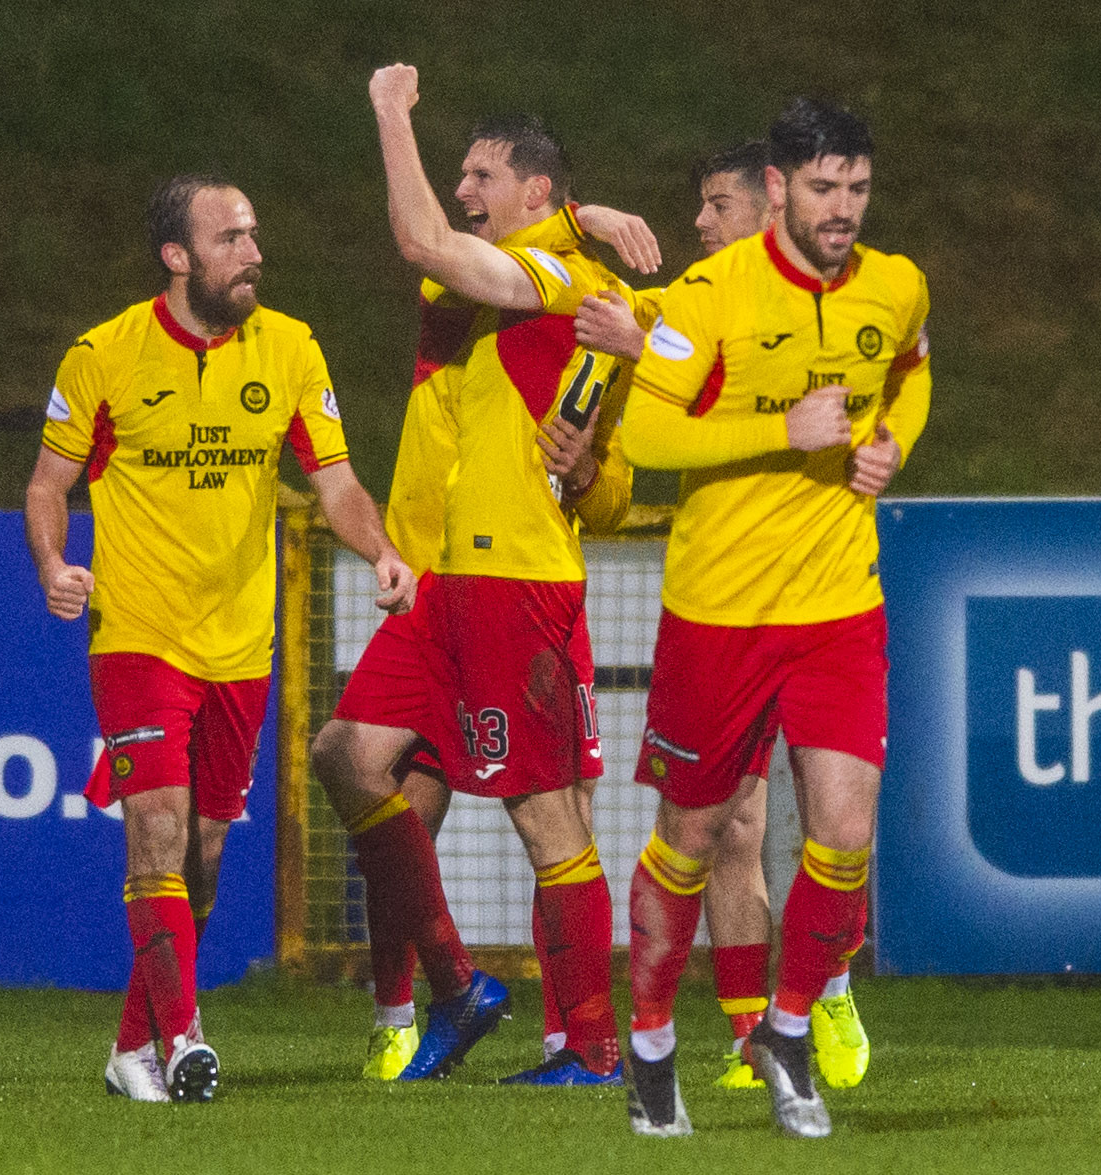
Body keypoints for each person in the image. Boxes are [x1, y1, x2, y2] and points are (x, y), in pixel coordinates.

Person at [24, 174, 415, 1103]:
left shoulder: (289, 349)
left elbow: (337, 484)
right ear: (178, 256)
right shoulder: (104, 355)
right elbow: (49, 483)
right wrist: (51, 564)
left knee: (199, 861)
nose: (254, 253)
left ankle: (134, 1048)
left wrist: (382, 549)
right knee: (154, 834)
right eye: (231, 238)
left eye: (254, 234)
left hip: (241, 644)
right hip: (140, 634)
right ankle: (187, 1036)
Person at [311, 62, 663, 1088]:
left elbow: (605, 488)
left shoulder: (576, 288)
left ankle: (591, 1047)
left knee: (547, 818)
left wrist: (386, 114)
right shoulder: (490, 282)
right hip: (438, 588)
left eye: (480, 173)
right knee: (343, 755)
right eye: (458, 171)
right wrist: (579, 211)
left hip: (515, 583)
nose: (462, 189)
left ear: (532, 193)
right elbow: (437, 252)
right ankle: (459, 987)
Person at [615, 98, 931, 1138]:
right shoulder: (707, 294)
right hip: (720, 611)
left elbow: (910, 369)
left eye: (858, 189)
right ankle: (651, 1037)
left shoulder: (894, 283)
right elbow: (648, 426)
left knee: (843, 834)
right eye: (825, 189)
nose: (843, 209)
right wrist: (777, 428)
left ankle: (788, 1027)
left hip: (840, 602)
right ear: (780, 189)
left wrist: (887, 444)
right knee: (692, 839)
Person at [576, 140, 872, 1095]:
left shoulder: (826, 312)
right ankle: (754, 1034)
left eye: (714, 204)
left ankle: (821, 989)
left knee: (831, 824)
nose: (698, 223)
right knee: (731, 827)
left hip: (818, 597)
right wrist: (585, 223)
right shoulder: (692, 306)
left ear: (768, 206)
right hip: (720, 603)